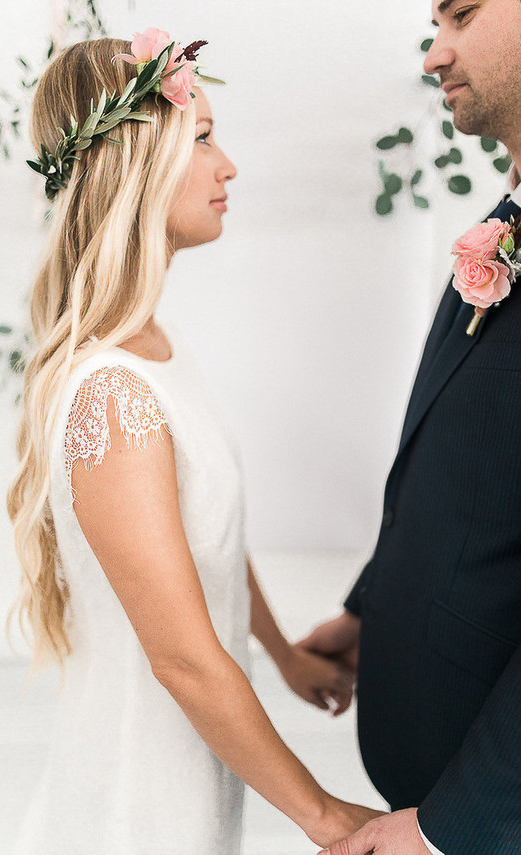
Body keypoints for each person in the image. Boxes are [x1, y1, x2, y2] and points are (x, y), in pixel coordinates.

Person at [7, 30, 381, 855]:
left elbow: (196, 533)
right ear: (133, 165)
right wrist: (326, 816)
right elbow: (180, 658)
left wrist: (281, 653)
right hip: (141, 799)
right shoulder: (111, 390)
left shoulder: (152, 348)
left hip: (195, 767)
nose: (229, 166)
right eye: (203, 136)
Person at [298, 2, 521, 854]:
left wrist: (446, 830)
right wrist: (373, 605)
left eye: (460, 13)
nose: (434, 53)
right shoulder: (502, 227)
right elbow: (465, 456)